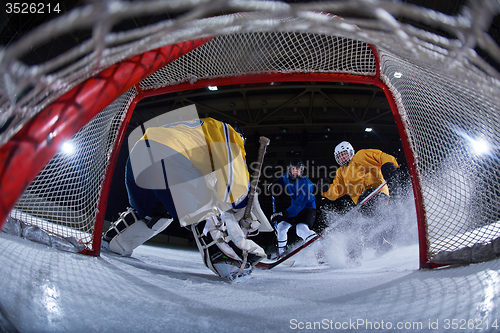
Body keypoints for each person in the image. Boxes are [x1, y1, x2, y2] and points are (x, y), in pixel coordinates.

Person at [102, 106, 272, 280]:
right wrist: (244, 210)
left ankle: (113, 243)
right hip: (168, 156)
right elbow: (235, 190)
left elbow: (212, 185)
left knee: (153, 214)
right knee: (205, 210)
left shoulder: (199, 136)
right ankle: (231, 263)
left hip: (138, 156)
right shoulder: (229, 133)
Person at [317, 141, 401, 259]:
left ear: (350, 152)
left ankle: (356, 252)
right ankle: (382, 245)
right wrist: (325, 189)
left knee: (362, 223)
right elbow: (337, 191)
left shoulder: (361, 155)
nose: (342, 158)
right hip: (362, 201)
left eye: (344, 154)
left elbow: (381, 156)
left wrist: (388, 164)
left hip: (376, 191)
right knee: (366, 223)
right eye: (339, 156)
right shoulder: (341, 172)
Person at [268, 159, 317, 258]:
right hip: (294, 209)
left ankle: (320, 250)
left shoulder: (305, 185)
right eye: (293, 169)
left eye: (297, 169)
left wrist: (284, 214)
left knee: (301, 229)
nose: (295, 171)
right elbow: (282, 179)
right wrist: (275, 184)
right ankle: (281, 253)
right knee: (281, 227)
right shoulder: (287, 176)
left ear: (301, 170)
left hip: (307, 209)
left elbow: (299, 205)